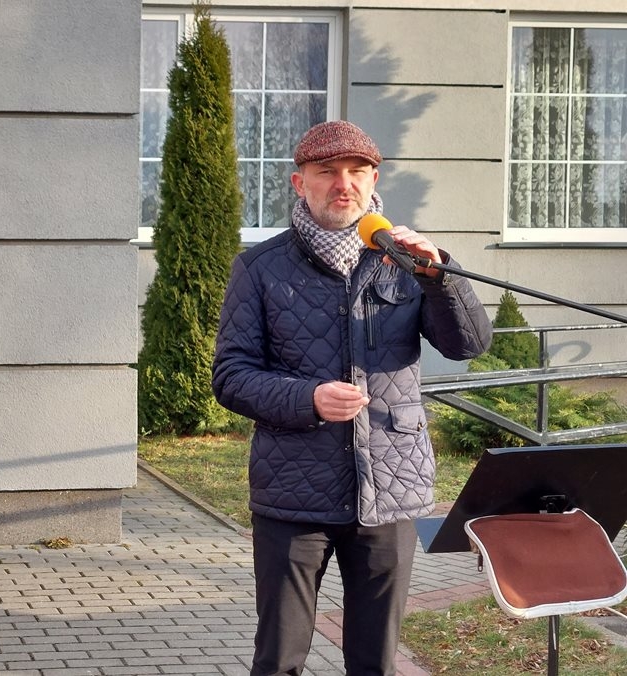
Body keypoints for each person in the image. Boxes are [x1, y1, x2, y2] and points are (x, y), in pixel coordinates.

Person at [211, 120, 492, 675]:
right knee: (279, 659)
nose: (344, 183)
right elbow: (231, 376)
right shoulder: (260, 268)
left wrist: (440, 276)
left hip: (390, 487)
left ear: (373, 179)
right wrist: (308, 398)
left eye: (357, 171)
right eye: (328, 172)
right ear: (300, 183)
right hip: (294, 493)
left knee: (375, 662)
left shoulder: (410, 261)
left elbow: (469, 345)